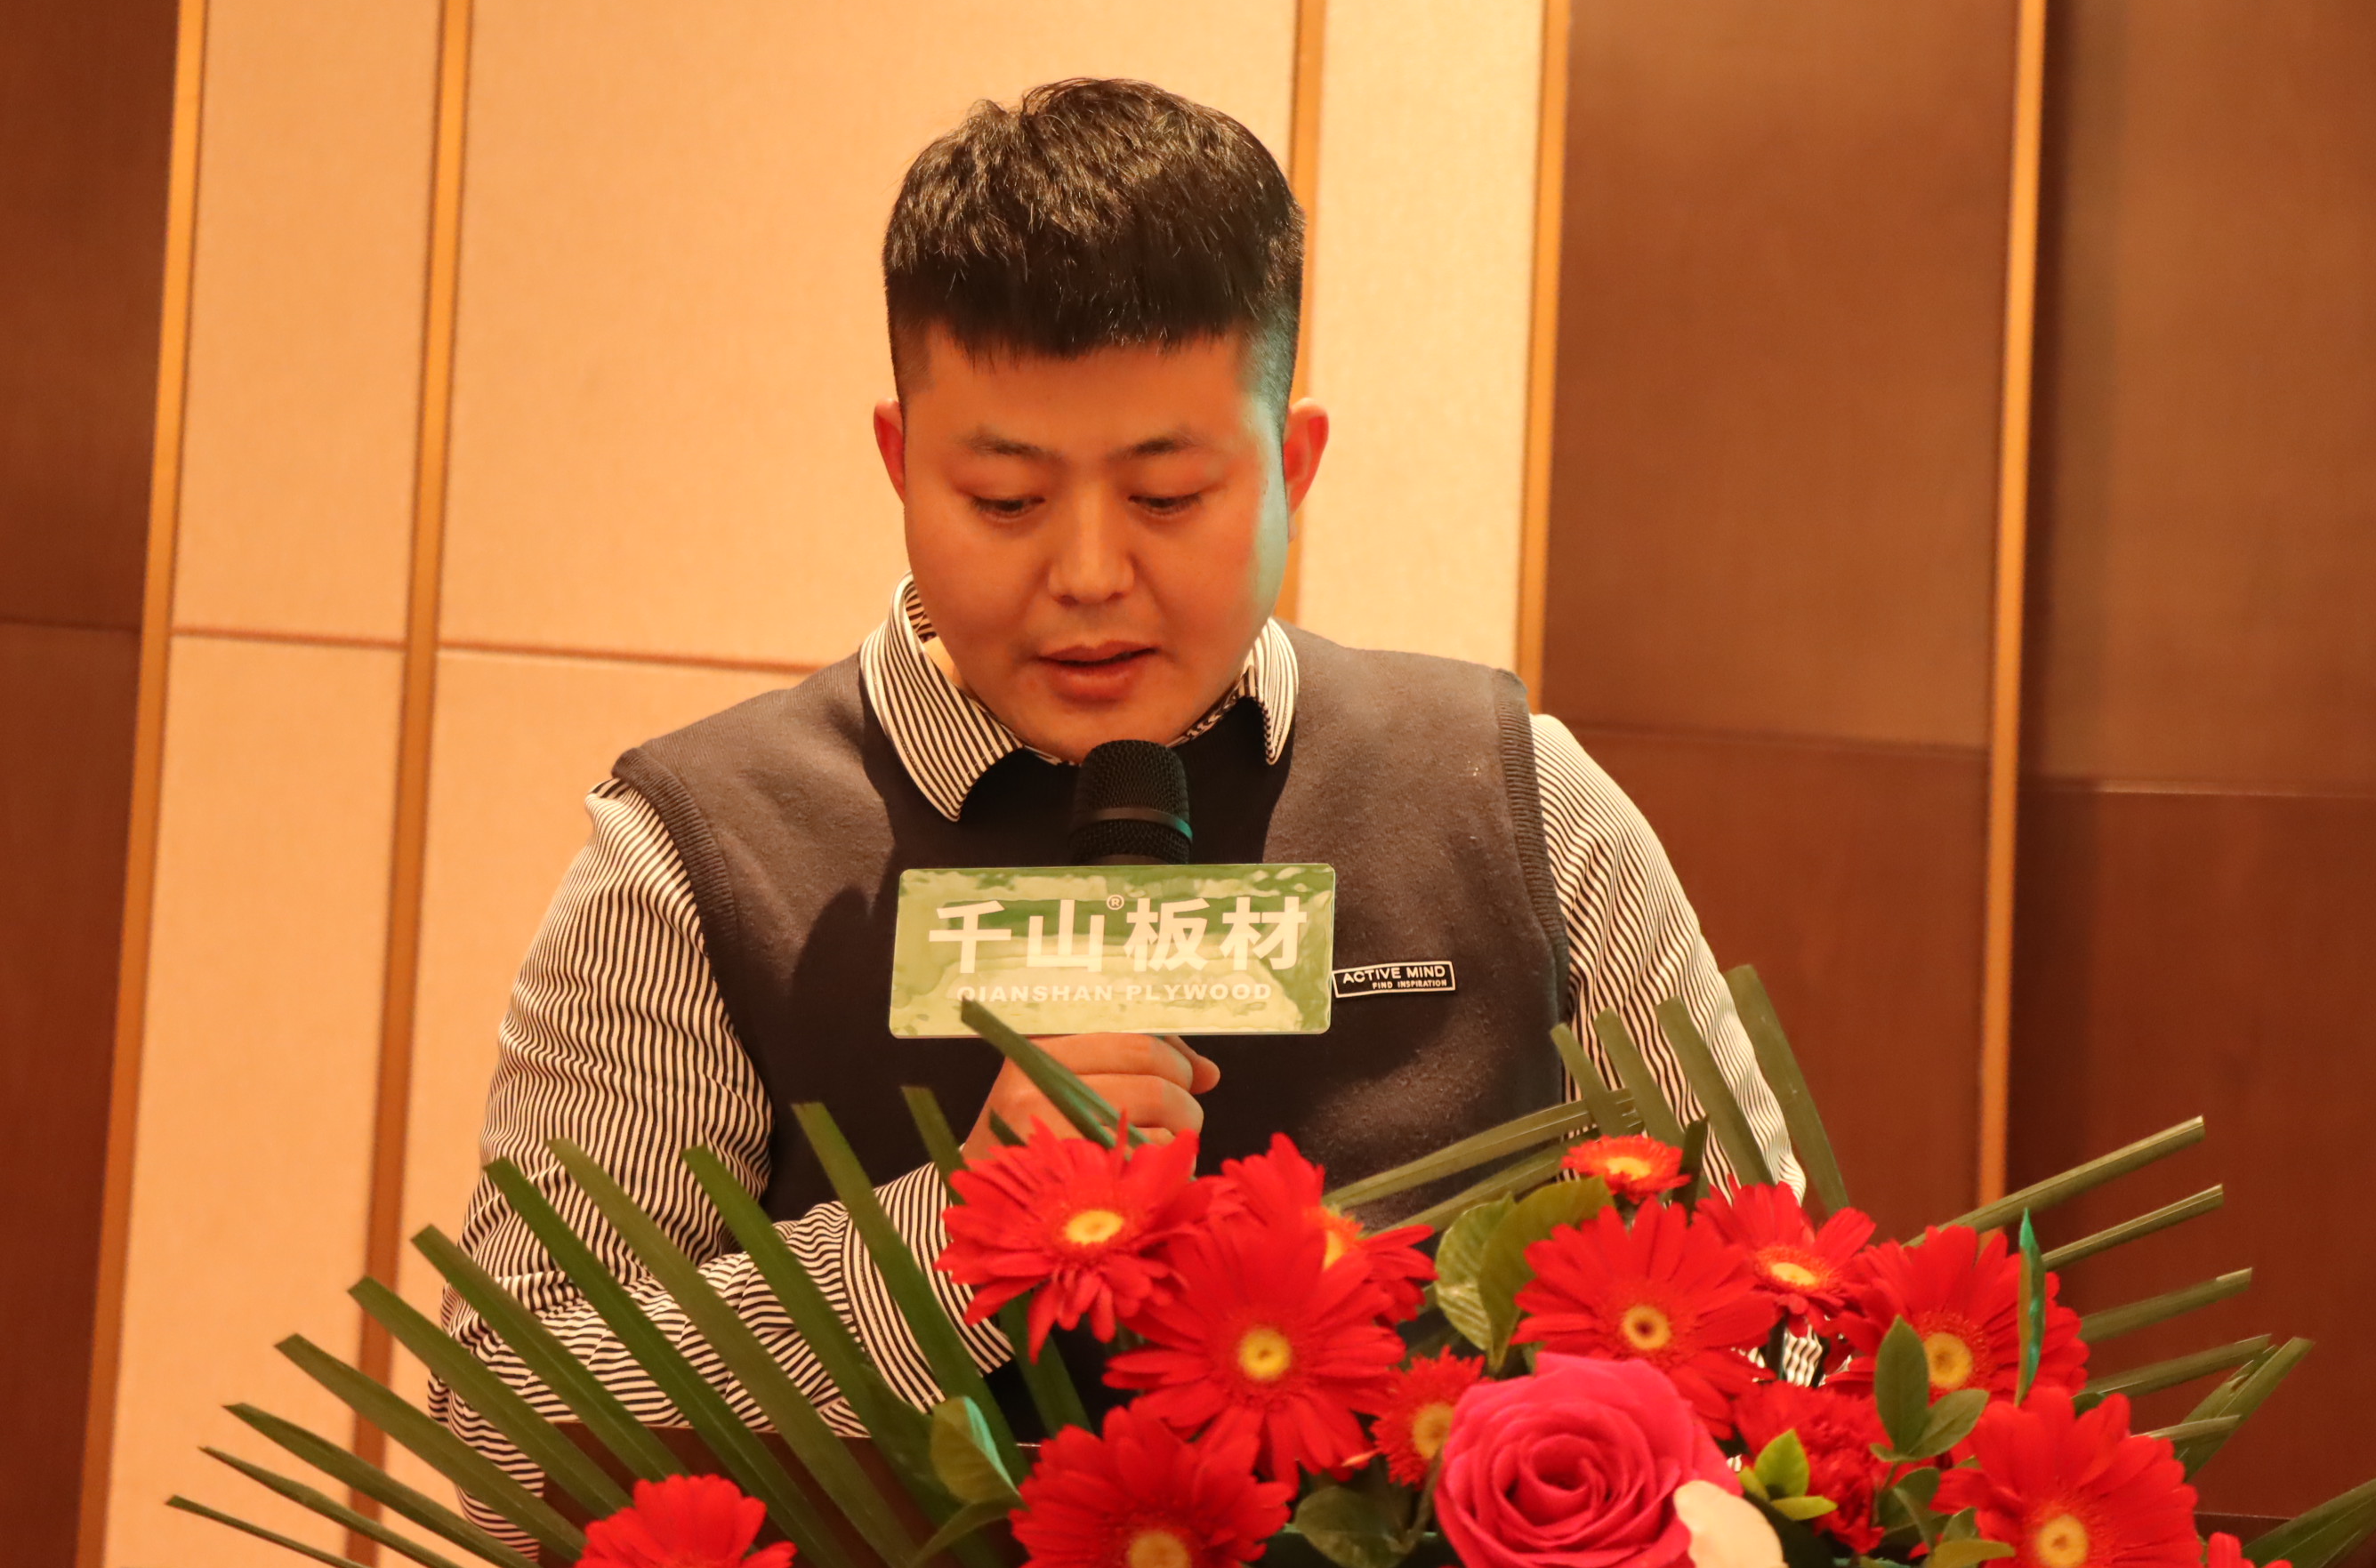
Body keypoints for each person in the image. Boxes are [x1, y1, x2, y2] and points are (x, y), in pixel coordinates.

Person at [432, 78, 1793, 1484]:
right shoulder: (692, 857)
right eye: (1007, 501)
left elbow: (1789, 1326)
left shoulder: (1514, 800)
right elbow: (502, 1417)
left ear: (1293, 465)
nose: (1088, 573)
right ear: (900, 462)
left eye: (1168, 497)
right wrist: (951, 1241)